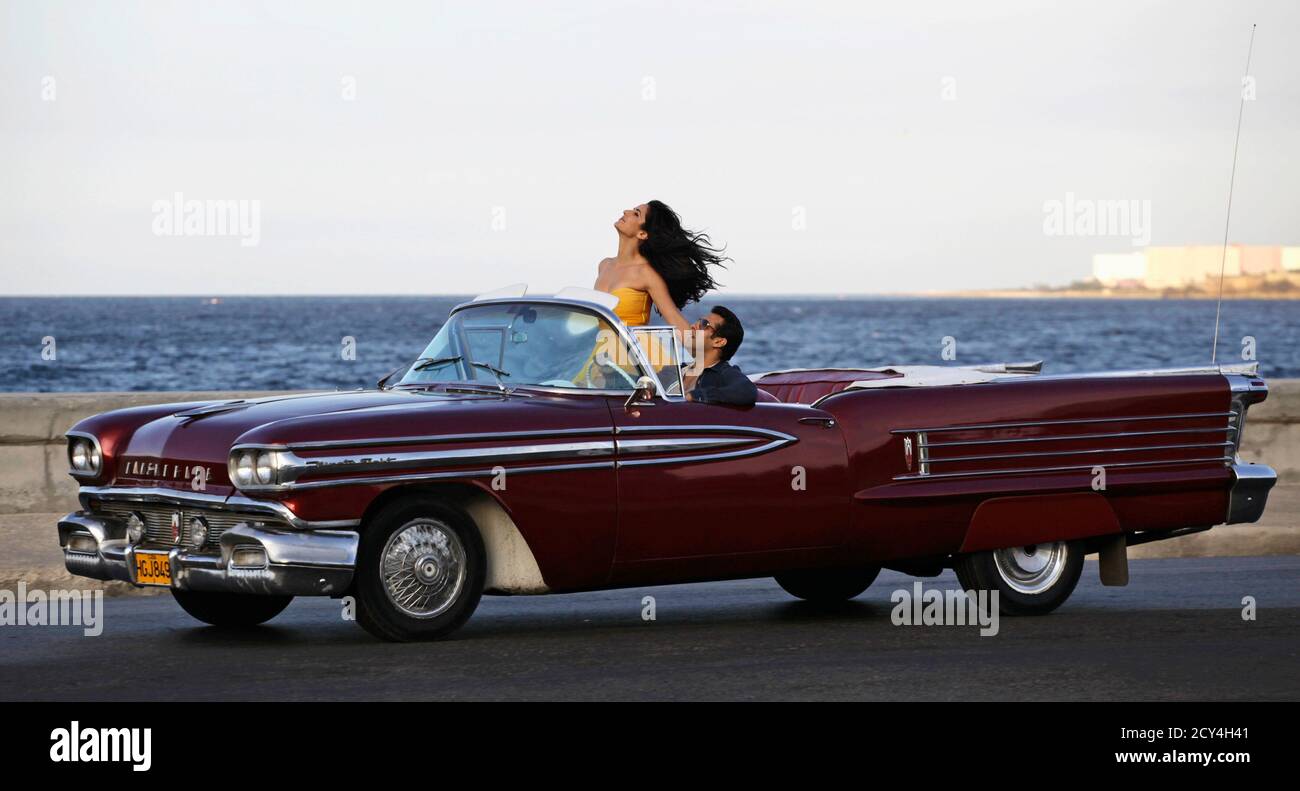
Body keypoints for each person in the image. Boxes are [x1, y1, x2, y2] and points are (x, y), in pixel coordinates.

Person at [592, 200, 727, 335]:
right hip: (601, 352)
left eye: (636, 214)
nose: (626, 212)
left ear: (642, 234)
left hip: (629, 351)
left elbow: (675, 319)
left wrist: (706, 353)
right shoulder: (604, 265)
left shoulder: (646, 273)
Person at [683, 306, 758, 407]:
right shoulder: (678, 370)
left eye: (704, 324)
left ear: (718, 342)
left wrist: (697, 396)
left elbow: (747, 391)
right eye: (698, 321)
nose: (692, 326)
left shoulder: (723, 373)